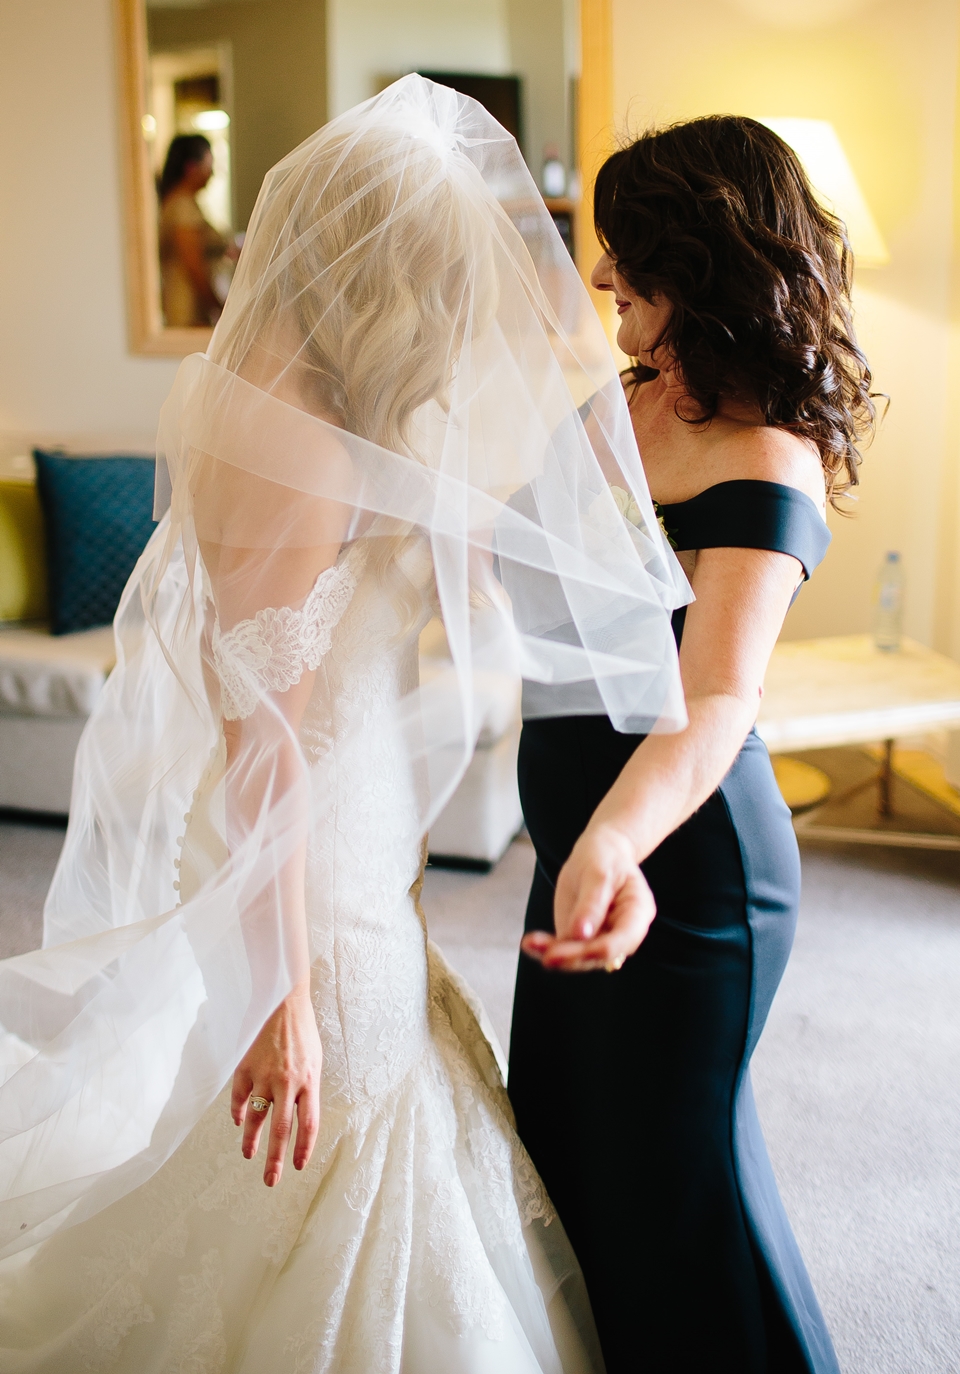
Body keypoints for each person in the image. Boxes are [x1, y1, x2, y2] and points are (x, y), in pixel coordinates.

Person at [0, 77, 689, 1371]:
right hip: (306, 846)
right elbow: (264, 744)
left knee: (358, 1106)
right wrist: (283, 994)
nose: (458, 302)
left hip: (350, 820)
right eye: (442, 271)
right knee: (343, 1090)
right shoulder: (299, 443)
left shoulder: (321, 404)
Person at [508, 115, 875, 1374]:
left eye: (631, 255)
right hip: (580, 848)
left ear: (702, 264)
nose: (604, 277)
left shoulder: (769, 454)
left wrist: (612, 838)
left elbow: (715, 697)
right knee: (561, 1145)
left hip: (685, 860)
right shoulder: (624, 399)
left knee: (682, 1187)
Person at [158, 132, 230, 328]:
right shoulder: (182, 207)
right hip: (186, 306)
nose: (212, 173)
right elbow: (193, 264)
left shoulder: (184, 203)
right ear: (191, 167)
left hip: (192, 305)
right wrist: (218, 306)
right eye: (209, 165)